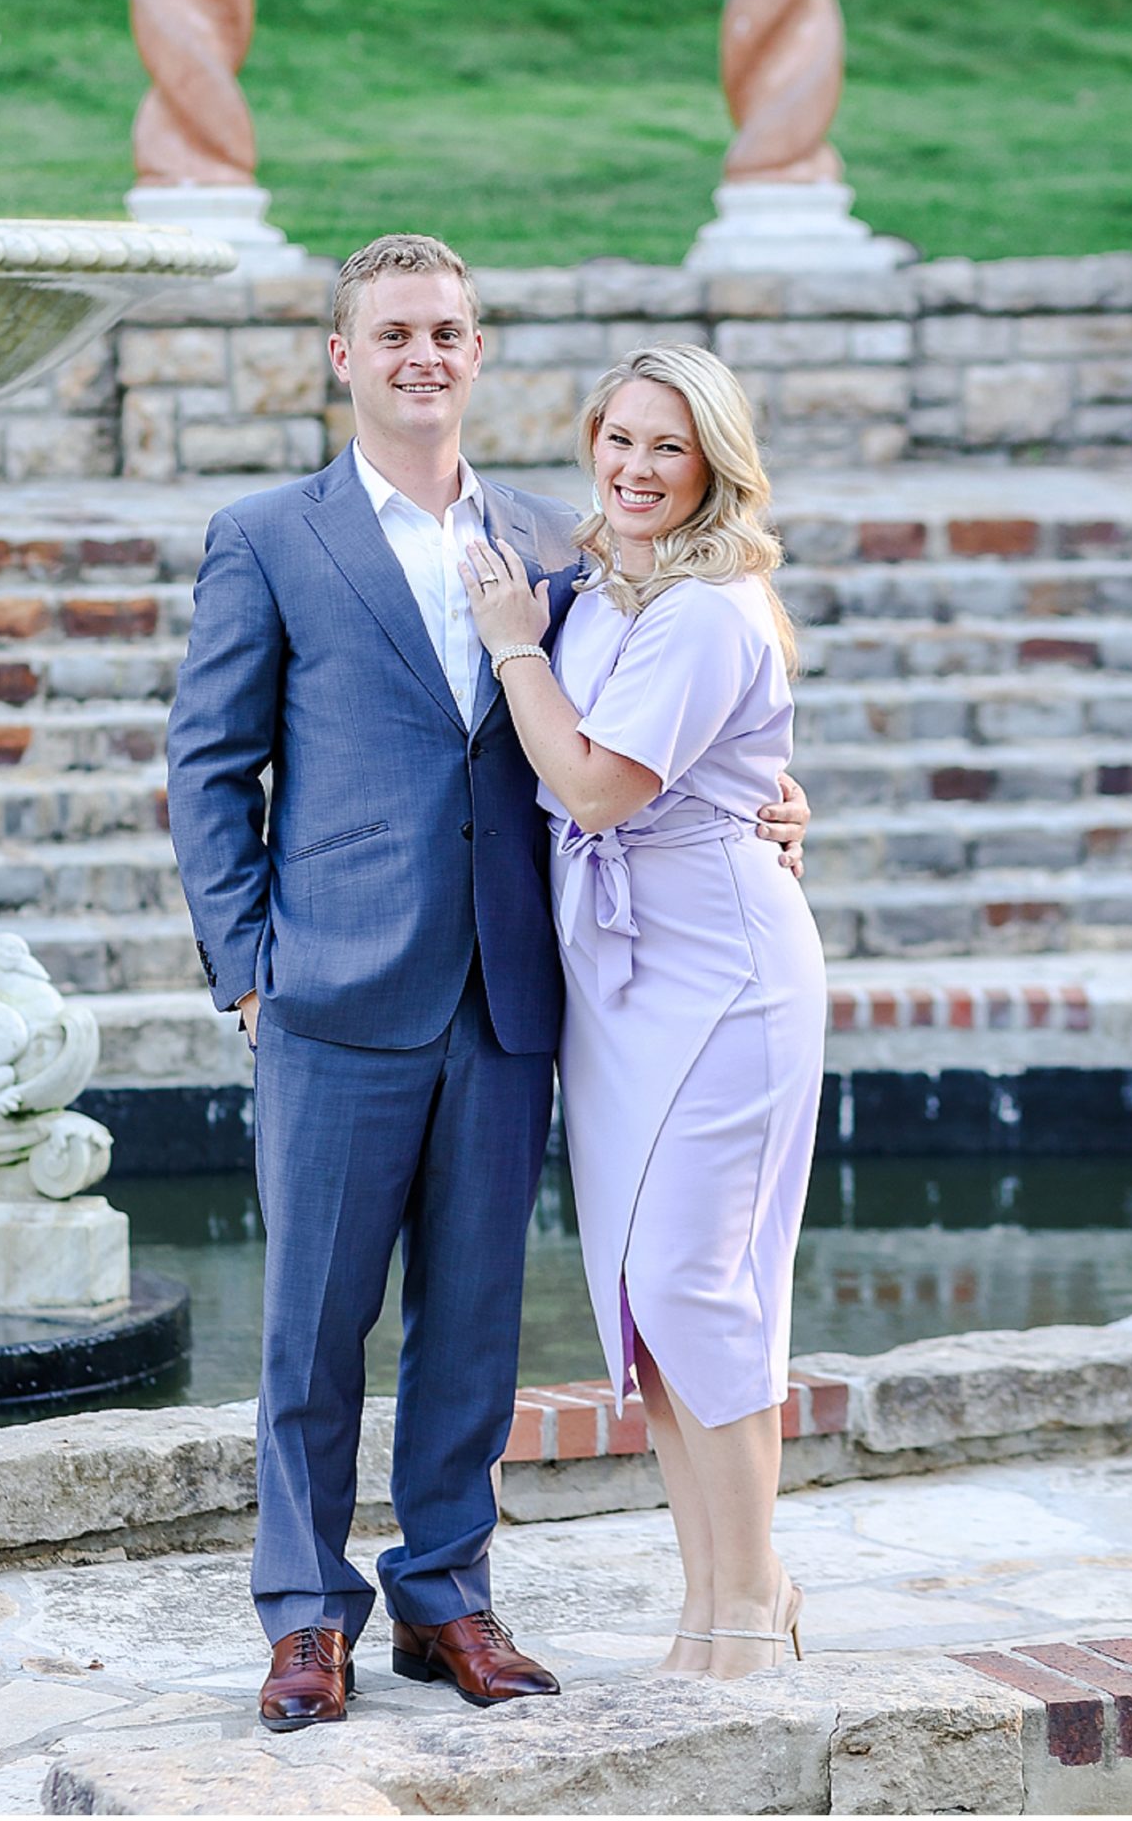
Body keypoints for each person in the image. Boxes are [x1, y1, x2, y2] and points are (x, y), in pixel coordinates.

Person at [165, 238, 810, 1732]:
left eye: (446, 332)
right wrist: (246, 966)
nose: (421, 357)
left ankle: (444, 1594)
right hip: (331, 993)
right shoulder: (268, 535)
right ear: (341, 355)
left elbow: (680, 707)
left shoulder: (557, 546)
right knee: (310, 1330)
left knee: (472, 1325)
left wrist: (779, 803)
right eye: (390, 333)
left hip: (516, 999)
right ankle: (305, 1615)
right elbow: (208, 764)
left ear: (478, 351)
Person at [461, 345, 826, 1683]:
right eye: (615, 438)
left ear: (713, 462)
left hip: (719, 985)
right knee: (646, 1305)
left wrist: (510, 650)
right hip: (622, 990)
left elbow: (599, 789)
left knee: (695, 1288)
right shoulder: (611, 589)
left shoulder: (706, 607)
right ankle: (722, 1594)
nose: (631, 467)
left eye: (664, 447)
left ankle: (745, 1605)